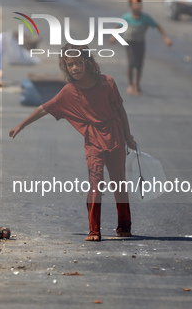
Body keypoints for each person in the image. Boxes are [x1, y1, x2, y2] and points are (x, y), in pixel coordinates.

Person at [9, 44, 137, 241]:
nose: (75, 68)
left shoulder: (107, 82)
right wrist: (22, 125)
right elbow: (45, 108)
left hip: (116, 137)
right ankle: (94, 230)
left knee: (119, 183)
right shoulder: (69, 91)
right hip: (93, 141)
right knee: (95, 184)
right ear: (66, 67)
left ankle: (124, 226)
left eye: (78, 63)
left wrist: (129, 137)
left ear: (87, 62)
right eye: (70, 65)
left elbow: (121, 110)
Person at [111, 0, 173, 95]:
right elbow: (117, 26)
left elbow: (157, 26)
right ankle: (130, 84)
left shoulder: (145, 18)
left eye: (139, 3)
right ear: (131, 6)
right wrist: (113, 37)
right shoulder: (126, 17)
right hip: (129, 42)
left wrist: (165, 37)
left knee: (139, 65)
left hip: (140, 43)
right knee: (131, 63)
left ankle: (137, 84)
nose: (138, 6)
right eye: (135, 4)